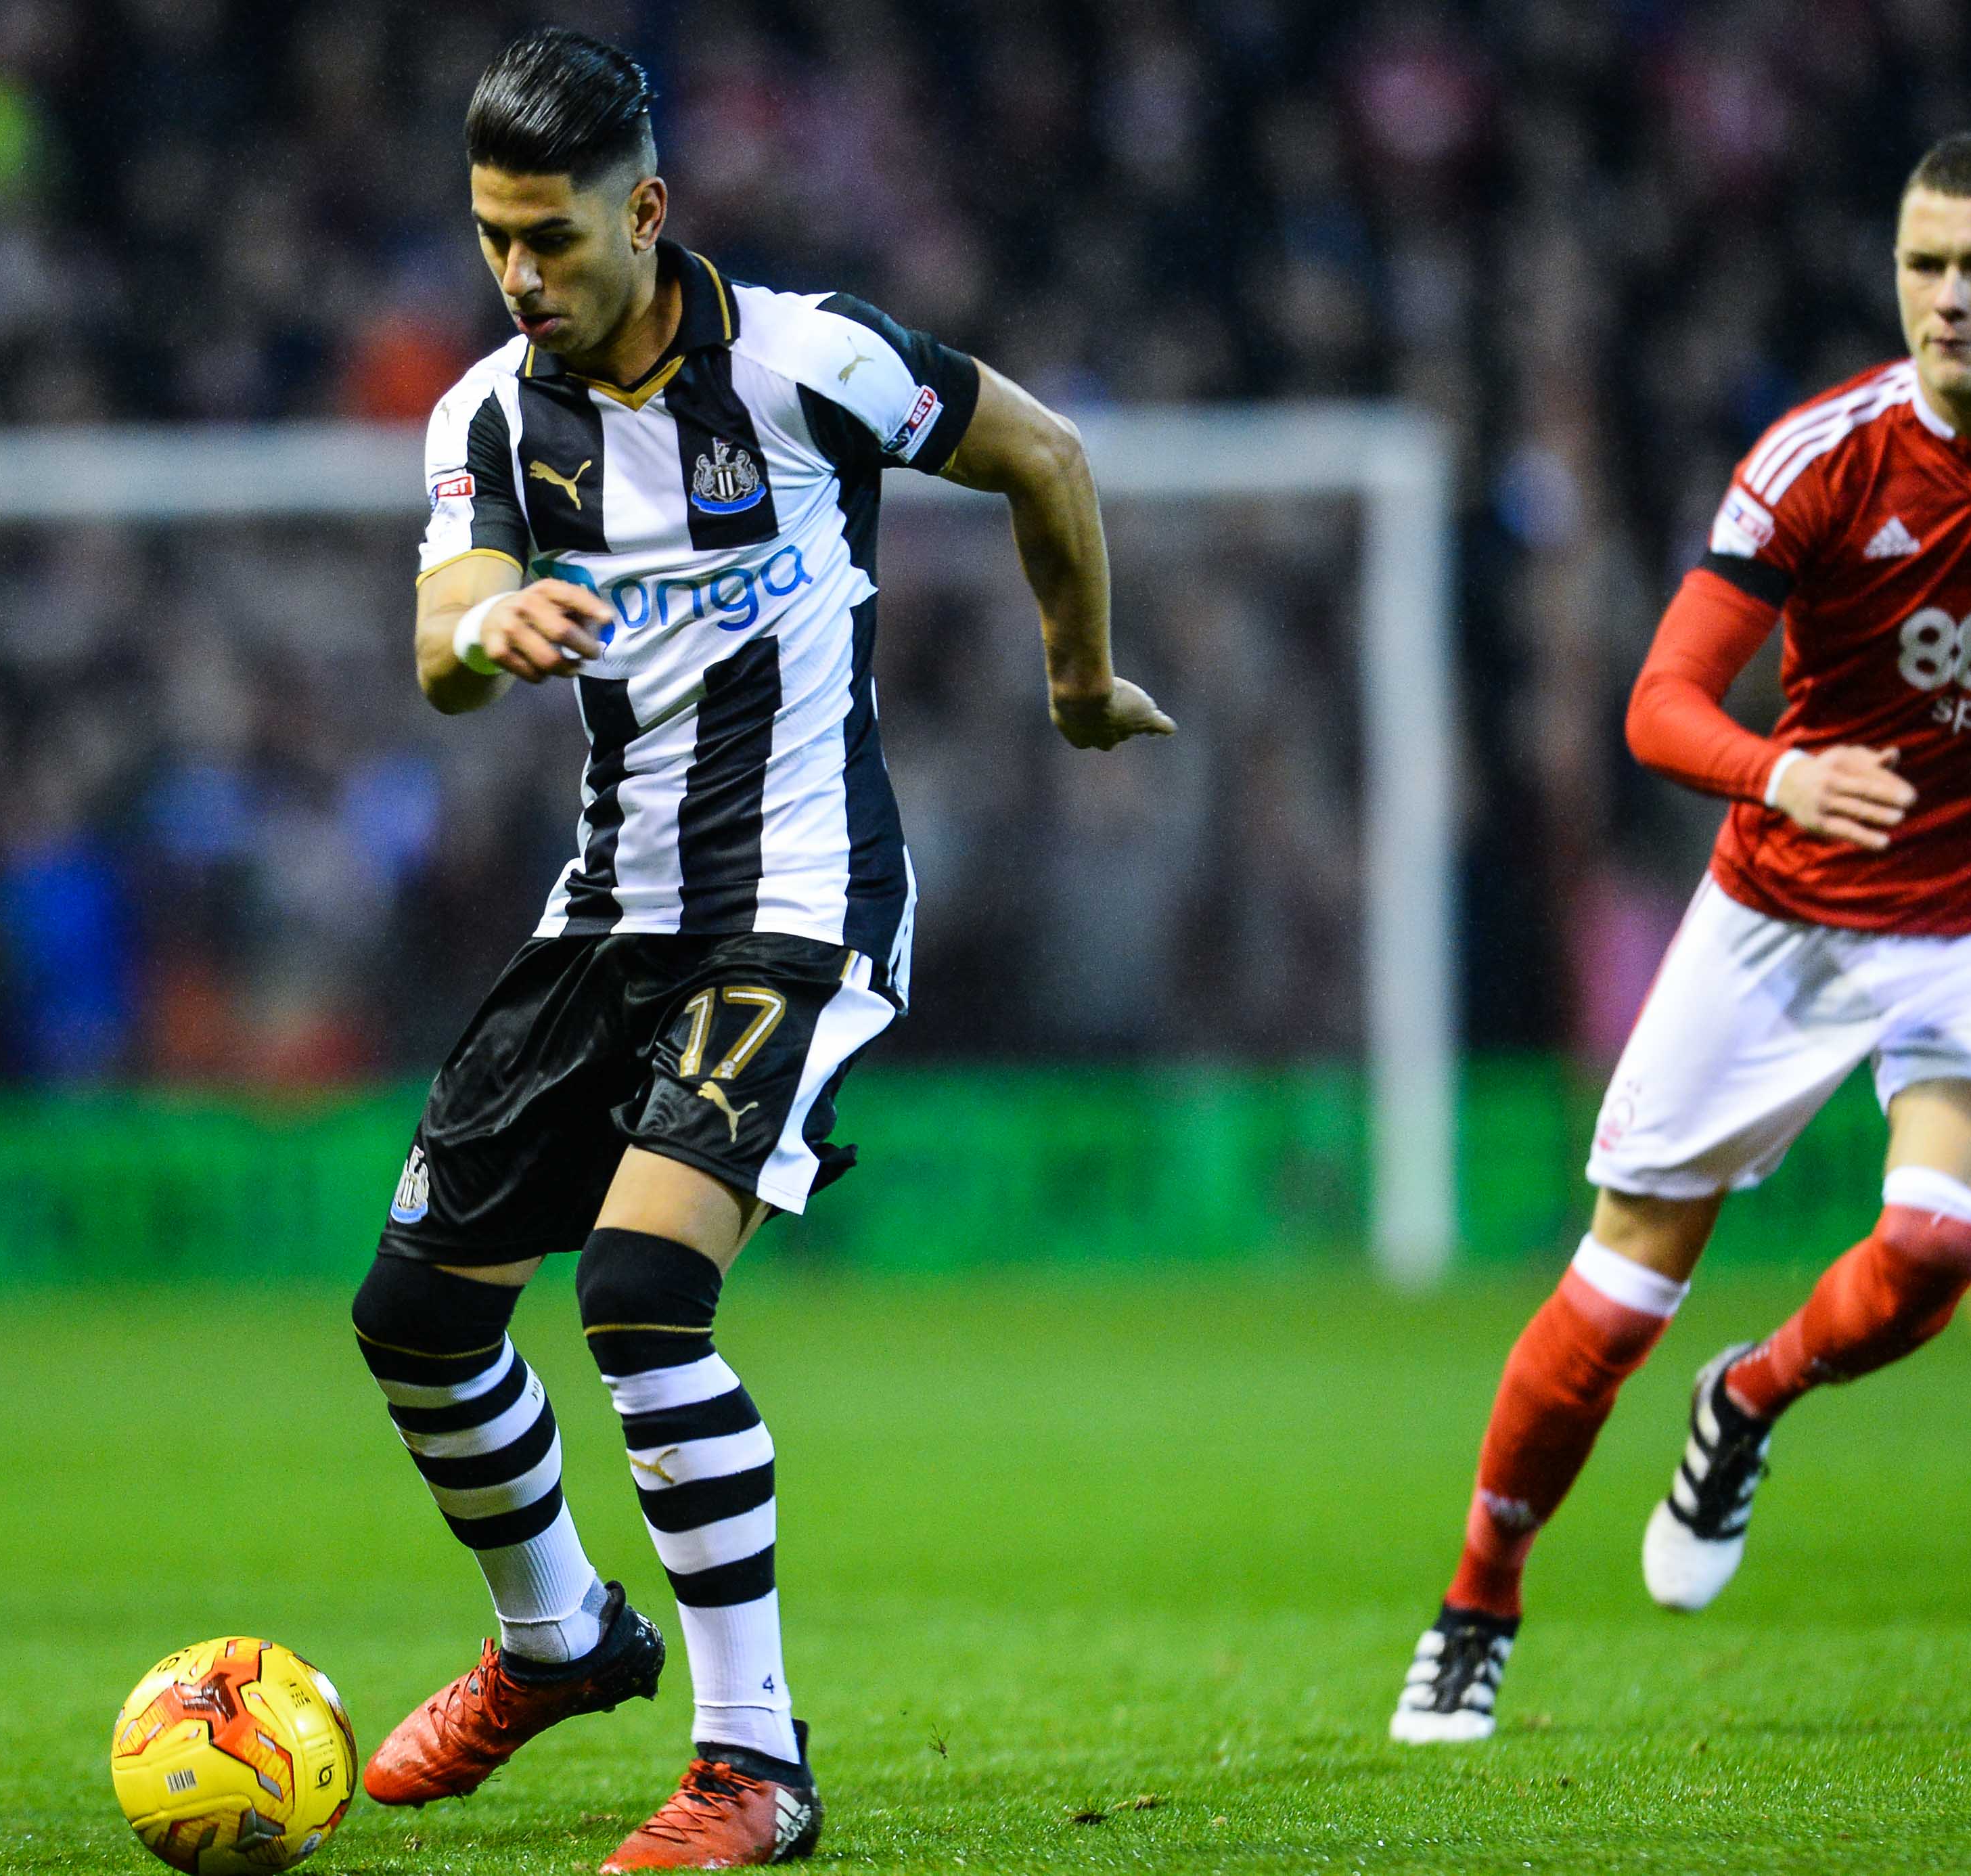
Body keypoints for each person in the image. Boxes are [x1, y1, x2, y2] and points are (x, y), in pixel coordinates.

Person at [1387, 132, 1971, 1745]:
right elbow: (1656, 704)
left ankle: (1748, 1399)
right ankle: (1478, 1599)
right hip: (1780, 921)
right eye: (1923, 266)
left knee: (1940, 1250)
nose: (1947, 300)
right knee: (1614, 1301)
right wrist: (1781, 766)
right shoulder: (1818, 460)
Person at [348, 28, 1171, 1871]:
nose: (519, 275)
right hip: (607, 911)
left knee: (640, 1291)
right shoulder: (486, 414)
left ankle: (754, 1763)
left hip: (796, 907)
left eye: (551, 238)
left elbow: (1040, 450)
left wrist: (1075, 678)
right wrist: (494, 630)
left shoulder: (810, 359)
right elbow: (435, 637)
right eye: (492, 236)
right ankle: (560, 1636)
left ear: (645, 209)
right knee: (414, 1318)